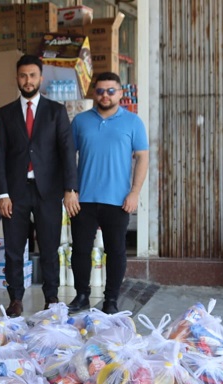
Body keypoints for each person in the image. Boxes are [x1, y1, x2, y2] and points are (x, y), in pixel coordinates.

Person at [0, 55, 77, 317]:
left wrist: (70, 189)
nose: (27, 80)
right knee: (14, 250)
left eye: (32, 75)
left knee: (50, 247)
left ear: (40, 78)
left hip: (48, 191)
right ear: (17, 78)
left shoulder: (56, 111)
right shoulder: (5, 113)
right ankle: (15, 298)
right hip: (15, 193)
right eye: (22, 76)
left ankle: (51, 297)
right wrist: (2, 193)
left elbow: (67, 151)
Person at [66, 72, 149, 315]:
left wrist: (134, 192)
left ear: (120, 93)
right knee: (80, 249)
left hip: (118, 199)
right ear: (94, 93)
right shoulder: (80, 121)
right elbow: (69, 157)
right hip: (84, 199)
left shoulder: (133, 122)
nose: (105, 95)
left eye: (111, 90)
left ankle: (111, 299)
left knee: (116, 251)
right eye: (100, 90)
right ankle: (82, 295)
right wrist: (70, 190)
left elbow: (143, 157)